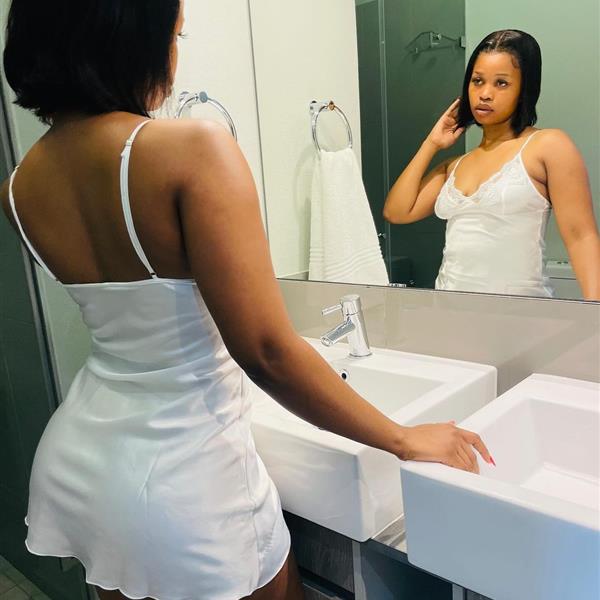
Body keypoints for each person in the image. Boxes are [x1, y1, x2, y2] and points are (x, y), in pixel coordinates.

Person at [0, 2, 492, 599]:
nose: (174, 57)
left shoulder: (20, 185)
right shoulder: (188, 149)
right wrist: (403, 438)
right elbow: (265, 351)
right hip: (186, 475)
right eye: (175, 36)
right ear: (132, 39)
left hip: (83, 462)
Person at [384, 30, 600, 300]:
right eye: (477, 81)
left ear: (524, 89)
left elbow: (581, 237)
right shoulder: (455, 165)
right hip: (449, 311)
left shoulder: (548, 145)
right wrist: (431, 143)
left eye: (501, 83)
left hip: (521, 315)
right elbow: (397, 212)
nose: (485, 94)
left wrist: (595, 312)